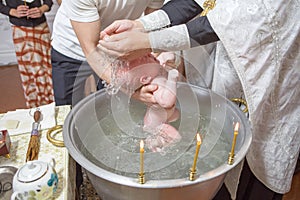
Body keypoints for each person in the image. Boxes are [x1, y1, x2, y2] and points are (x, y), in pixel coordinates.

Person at [97, 0, 300, 199]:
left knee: (253, 160)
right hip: (220, 71)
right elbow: (201, 2)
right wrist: (142, 25)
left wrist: (149, 41)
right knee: (214, 152)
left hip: (263, 67)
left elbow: (236, 19)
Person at [51, 0, 165, 107]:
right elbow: (91, 49)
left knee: (113, 106)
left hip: (117, 48)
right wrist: (132, 92)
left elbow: (152, 26)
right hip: (71, 48)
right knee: (66, 107)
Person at [112, 53, 181, 152]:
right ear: (145, 79)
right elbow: (167, 102)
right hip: (156, 124)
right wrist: (172, 80)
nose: (149, 55)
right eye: (147, 59)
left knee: (176, 117)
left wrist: (168, 57)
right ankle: (153, 143)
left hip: (164, 115)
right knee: (176, 138)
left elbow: (165, 59)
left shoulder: (154, 72)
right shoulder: (155, 85)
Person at [0, 0, 54, 108]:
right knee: (28, 69)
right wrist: (12, 11)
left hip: (41, 28)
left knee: (47, 66)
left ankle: (53, 104)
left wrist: (41, 10)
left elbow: (49, 2)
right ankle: (34, 106)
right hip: (20, 29)